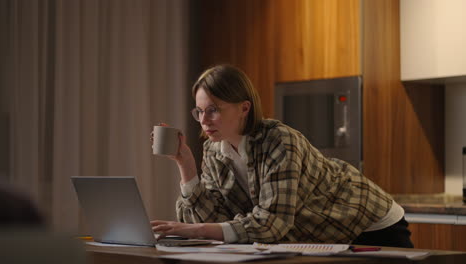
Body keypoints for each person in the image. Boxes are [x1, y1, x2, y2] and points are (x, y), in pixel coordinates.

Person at [150, 64, 413, 247]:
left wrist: (195, 230)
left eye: (213, 110)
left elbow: (272, 223)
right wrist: (186, 165)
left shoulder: (279, 141)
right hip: (320, 235)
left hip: (370, 224)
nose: (204, 120)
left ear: (244, 108)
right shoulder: (213, 151)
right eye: (199, 111)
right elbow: (212, 221)